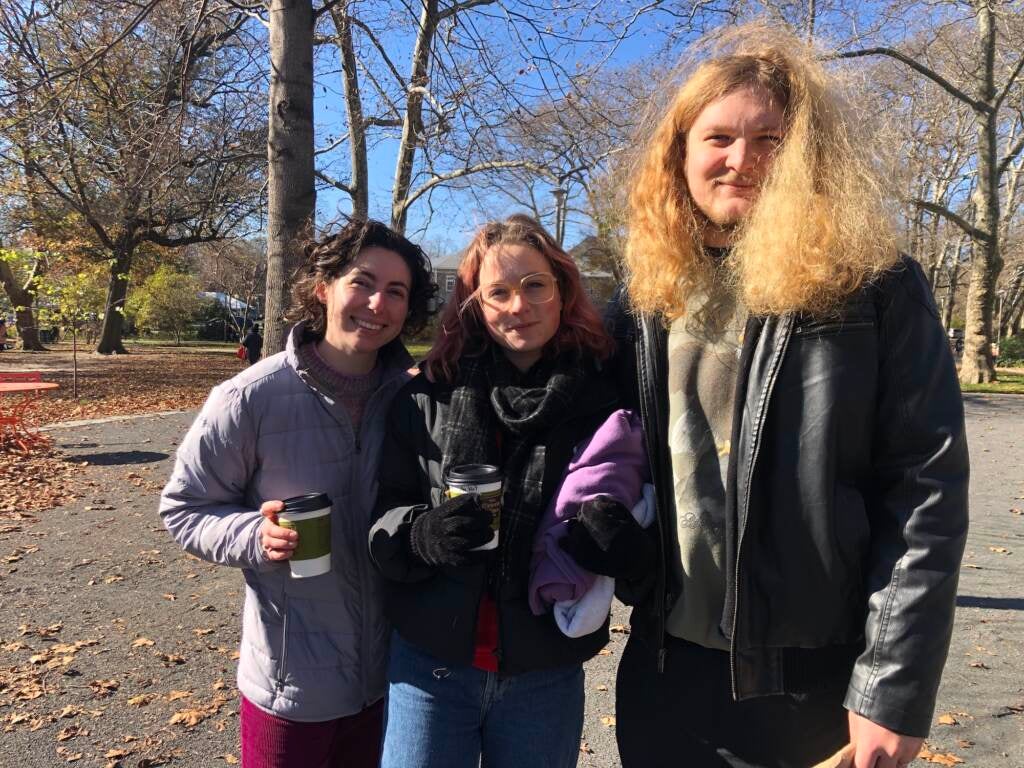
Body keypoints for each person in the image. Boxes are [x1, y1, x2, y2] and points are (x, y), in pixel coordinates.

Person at [603, 26, 970, 768]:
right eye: (718, 138)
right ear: (679, 152)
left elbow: (925, 489)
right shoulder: (643, 295)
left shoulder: (875, 287)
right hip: (665, 674)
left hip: (812, 688)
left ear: (807, 154)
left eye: (770, 139)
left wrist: (891, 690)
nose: (741, 161)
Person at [369, 214, 648, 768]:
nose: (518, 306)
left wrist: (629, 550)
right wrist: (420, 534)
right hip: (432, 666)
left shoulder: (606, 402)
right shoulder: (427, 397)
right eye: (498, 292)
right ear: (474, 304)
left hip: (544, 672)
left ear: (564, 291)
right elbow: (381, 515)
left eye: (534, 285)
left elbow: (650, 519)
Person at [159, 219, 436, 768]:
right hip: (290, 687)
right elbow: (184, 509)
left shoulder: (416, 400)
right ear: (323, 288)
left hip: (392, 680)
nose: (377, 303)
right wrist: (252, 534)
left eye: (396, 292)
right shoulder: (249, 397)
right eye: (362, 282)